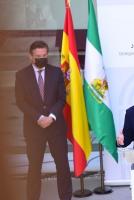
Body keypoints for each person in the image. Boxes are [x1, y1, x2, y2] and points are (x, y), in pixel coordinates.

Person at [15, 40, 72, 200]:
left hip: (56, 127)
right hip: (34, 128)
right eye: (38, 56)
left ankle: (66, 197)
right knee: (34, 167)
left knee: (63, 166)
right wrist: (39, 117)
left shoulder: (56, 72)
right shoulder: (21, 75)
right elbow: (21, 101)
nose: (42, 58)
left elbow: (61, 98)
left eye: (44, 55)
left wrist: (51, 117)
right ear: (30, 57)